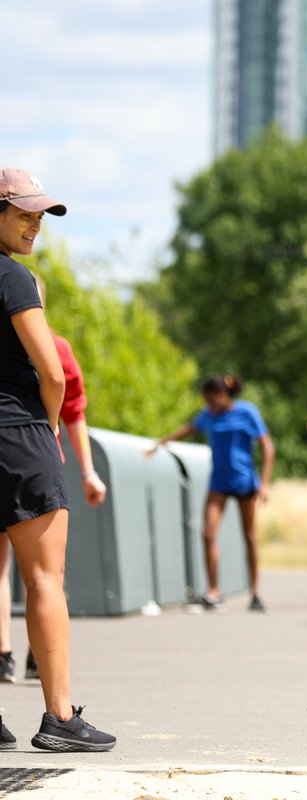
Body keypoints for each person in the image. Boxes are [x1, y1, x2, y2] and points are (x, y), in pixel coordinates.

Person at [0, 167, 116, 750]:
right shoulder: (15, 280)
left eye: (40, 215)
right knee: (45, 579)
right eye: (24, 213)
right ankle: (60, 718)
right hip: (18, 436)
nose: (35, 224)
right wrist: (45, 430)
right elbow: (52, 371)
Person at [1, 274, 110, 683]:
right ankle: (47, 683)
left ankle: (5, 654)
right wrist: (80, 465)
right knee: (46, 575)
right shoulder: (55, 346)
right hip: (31, 457)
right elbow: (70, 402)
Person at [147, 373, 274, 612]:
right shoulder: (208, 415)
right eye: (206, 401)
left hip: (245, 481)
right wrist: (161, 442)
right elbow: (189, 428)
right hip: (219, 482)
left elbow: (268, 446)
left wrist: (265, 483)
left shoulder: (247, 412)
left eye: (212, 400)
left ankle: (255, 592)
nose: (209, 406)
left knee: (249, 535)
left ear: (224, 395)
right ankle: (214, 592)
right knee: (208, 533)